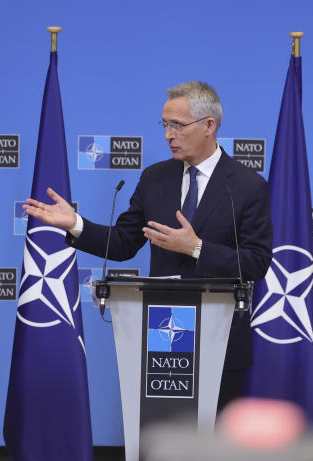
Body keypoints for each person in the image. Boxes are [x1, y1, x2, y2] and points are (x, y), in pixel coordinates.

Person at [23, 80, 273, 412]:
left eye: (177, 125)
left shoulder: (247, 186)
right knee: (165, 432)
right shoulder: (156, 178)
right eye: (165, 125)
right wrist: (76, 224)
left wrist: (196, 247)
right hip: (165, 328)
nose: (168, 135)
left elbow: (256, 263)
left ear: (209, 126)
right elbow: (124, 242)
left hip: (221, 334)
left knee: (214, 444)